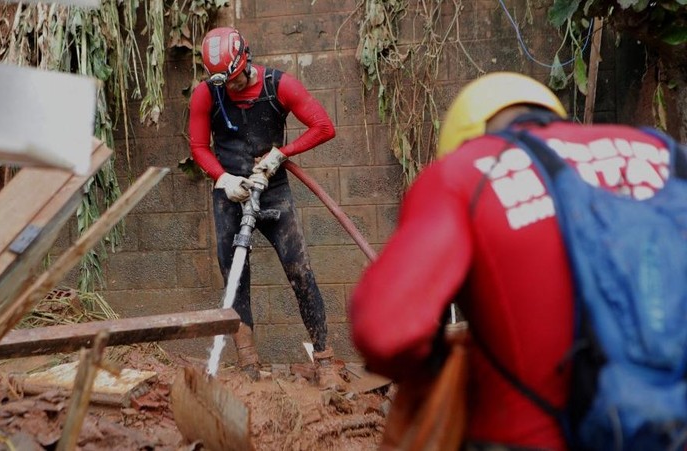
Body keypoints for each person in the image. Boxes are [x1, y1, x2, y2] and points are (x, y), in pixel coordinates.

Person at [349, 72, 678, 449]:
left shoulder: (465, 170)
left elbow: (384, 331)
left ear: (466, 138)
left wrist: (438, 368)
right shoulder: (664, 153)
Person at [189, 26, 344, 389]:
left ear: (246, 61)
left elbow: (324, 126)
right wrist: (223, 179)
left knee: (299, 270)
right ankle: (249, 366)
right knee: (235, 277)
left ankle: (324, 359)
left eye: (234, 81)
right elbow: (198, 146)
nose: (229, 89)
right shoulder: (205, 94)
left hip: (272, 190)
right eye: (221, 85)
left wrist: (281, 155)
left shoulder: (280, 85)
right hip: (231, 193)